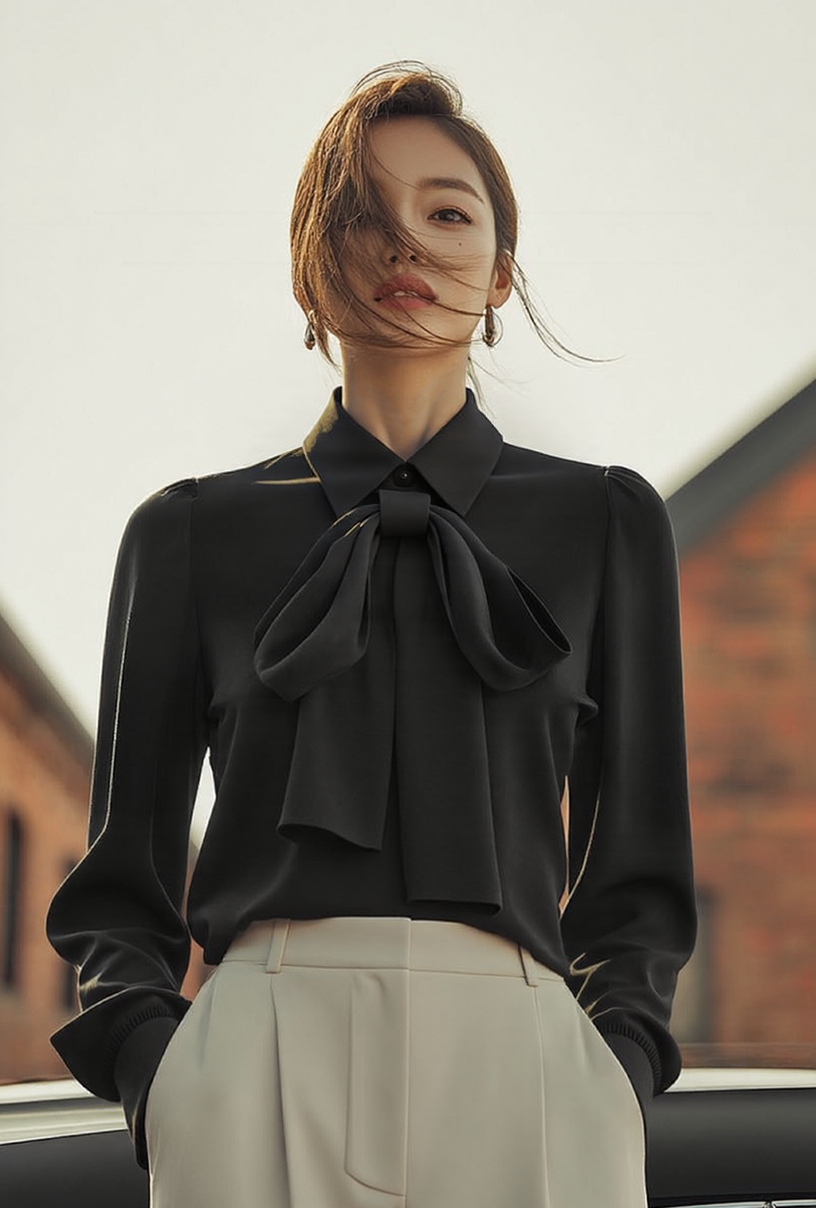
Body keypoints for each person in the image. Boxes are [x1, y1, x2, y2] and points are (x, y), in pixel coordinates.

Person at [46, 61, 697, 1208]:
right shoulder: (188, 532)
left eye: (447, 211)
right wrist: (166, 1076)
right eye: (362, 215)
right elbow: (119, 881)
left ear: (501, 271)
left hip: (532, 1064)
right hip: (255, 1061)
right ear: (311, 266)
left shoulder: (605, 521)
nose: (406, 244)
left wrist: (615, 1069)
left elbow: (637, 869)